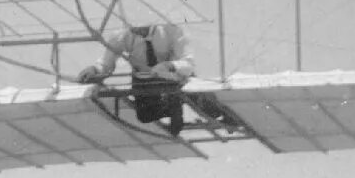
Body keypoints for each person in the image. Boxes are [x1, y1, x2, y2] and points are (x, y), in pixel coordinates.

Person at [76, 23, 242, 136]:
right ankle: (172, 106)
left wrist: (168, 65)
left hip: (173, 76)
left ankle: (225, 115)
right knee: (145, 116)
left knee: (196, 96)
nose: (136, 31)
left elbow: (188, 63)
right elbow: (106, 63)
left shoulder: (171, 30)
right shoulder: (122, 34)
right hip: (145, 79)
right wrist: (94, 70)